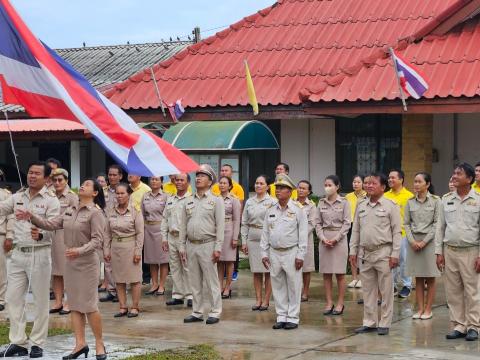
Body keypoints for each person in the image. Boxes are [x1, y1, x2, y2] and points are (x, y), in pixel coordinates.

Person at [18, 179, 107, 360]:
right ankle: (80, 344)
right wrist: (31, 217)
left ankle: (99, 344)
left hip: (87, 263)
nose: (82, 186)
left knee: (89, 306)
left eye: (88, 185)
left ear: (95, 193)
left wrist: (79, 250)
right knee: (74, 305)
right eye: (82, 184)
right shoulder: (70, 209)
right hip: (71, 263)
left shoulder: (96, 213)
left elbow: (98, 241)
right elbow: (51, 224)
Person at [0, 161, 60, 358]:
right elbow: (1, 209)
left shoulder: (51, 201)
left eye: (36, 173)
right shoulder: (17, 196)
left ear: (46, 178)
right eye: (30, 172)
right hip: (18, 254)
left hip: (40, 253)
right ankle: (18, 341)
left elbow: (54, 227)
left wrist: (41, 235)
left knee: (41, 301)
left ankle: (37, 343)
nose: (31, 176)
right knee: (12, 299)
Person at [350, 172, 401, 336]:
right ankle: (370, 322)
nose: (369, 186)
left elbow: (396, 232)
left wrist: (395, 254)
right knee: (368, 290)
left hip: (384, 252)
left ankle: (385, 323)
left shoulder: (390, 205)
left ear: (383, 187)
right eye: (367, 183)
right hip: (365, 253)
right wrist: (353, 250)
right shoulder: (361, 204)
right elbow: (356, 230)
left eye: (373, 183)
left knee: (386, 290)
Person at [435, 163, 480, 341]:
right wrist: (439, 252)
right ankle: (458, 325)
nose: (454, 176)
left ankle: (473, 326)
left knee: (472, 291)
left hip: (471, 251)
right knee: (452, 291)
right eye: (454, 173)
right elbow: (440, 227)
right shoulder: (446, 199)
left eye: (459, 174)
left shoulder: (478, 199)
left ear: (469, 179)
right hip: (450, 251)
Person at [261, 173, 307, 330]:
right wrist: (264, 253)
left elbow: (303, 235)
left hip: (291, 252)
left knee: (294, 285)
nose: (278, 190)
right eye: (277, 188)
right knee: (278, 285)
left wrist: (301, 255)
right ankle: (281, 316)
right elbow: (265, 233)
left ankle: (293, 317)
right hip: (274, 252)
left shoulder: (298, 210)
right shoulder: (270, 209)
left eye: (281, 188)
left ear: (289, 191)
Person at [180, 164, 225, 325]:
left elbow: (221, 226)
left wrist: (218, 247)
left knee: (211, 280)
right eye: (197, 175)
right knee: (194, 280)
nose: (198, 178)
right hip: (191, 245)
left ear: (210, 181)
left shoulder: (216, 201)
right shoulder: (188, 201)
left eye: (202, 176)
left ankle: (215, 311)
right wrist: (181, 246)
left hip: (208, 244)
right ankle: (197, 312)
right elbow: (183, 225)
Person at [404, 172, 441, 320]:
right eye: (415, 181)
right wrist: (412, 241)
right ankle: (419, 309)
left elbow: (437, 223)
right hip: (414, 242)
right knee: (418, 277)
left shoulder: (436, 201)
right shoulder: (410, 202)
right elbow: (406, 223)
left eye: (419, 182)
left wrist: (424, 241)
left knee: (430, 277)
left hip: (430, 242)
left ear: (427, 184)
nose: (416, 184)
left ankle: (428, 309)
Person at [104, 183, 144, 318]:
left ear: (129, 194)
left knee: (134, 279)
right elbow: (107, 233)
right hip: (116, 247)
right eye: (117, 193)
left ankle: (135, 307)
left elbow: (140, 233)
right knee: (119, 279)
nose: (119, 196)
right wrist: (106, 250)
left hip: (131, 246)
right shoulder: (111, 211)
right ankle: (122, 307)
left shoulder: (135, 211)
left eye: (122, 193)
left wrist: (138, 251)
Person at [316, 175, 351, 316]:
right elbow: (317, 223)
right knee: (326, 274)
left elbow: (347, 223)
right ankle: (329, 302)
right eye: (325, 184)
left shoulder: (344, 202)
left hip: (339, 240)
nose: (327, 187)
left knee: (340, 274)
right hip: (325, 239)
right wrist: (323, 238)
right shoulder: (321, 202)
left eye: (330, 185)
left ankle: (340, 303)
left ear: (337, 186)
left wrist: (336, 239)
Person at [241, 175, 276, 311]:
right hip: (252, 237)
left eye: (261, 183)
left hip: (267, 239)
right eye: (256, 183)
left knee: (267, 271)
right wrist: (243, 241)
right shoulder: (250, 201)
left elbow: (274, 222)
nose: (258, 185)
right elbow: (244, 222)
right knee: (256, 271)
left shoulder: (272, 202)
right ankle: (258, 299)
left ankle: (266, 300)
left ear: (267, 186)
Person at [49, 169, 78, 315]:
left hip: (65, 236)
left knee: (67, 271)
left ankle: (69, 301)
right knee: (56, 272)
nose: (57, 183)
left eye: (60, 180)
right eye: (54, 180)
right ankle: (58, 301)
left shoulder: (72, 197)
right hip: (50, 235)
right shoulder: (50, 195)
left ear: (66, 180)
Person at [161, 173, 193, 307]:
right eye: (176, 180)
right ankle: (178, 295)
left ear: (188, 183)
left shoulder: (192, 200)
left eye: (182, 180)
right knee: (174, 267)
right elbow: (165, 219)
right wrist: (164, 238)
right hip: (171, 236)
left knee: (187, 267)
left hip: (185, 238)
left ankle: (191, 295)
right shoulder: (170, 199)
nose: (178, 182)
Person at [384, 169, 414, 298]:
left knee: (404, 260)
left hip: (403, 234)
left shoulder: (409, 196)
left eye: (393, 178)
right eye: (389, 178)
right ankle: (394, 286)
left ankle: (407, 285)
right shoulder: (385, 195)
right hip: (387, 234)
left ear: (401, 179)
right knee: (391, 261)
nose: (390, 180)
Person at [99, 165, 123, 302]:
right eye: (110, 174)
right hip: (105, 230)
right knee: (107, 261)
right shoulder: (103, 191)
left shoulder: (124, 191)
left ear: (120, 176)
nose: (112, 177)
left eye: (115, 175)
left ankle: (121, 290)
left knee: (120, 262)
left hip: (120, 230)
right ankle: (111, 290)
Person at [141, 176, 169, 295]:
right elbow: (141, 214)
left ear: (161, 182)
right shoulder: (145, 196)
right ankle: (154, 284)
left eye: (157, 179)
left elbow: (168, 215)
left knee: (163, 259)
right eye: (152, 179)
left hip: (161, 229)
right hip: (148, 229)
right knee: (151, 259)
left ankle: (162, 285)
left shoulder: (166, 196)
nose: (154, 181)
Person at [217, 176, 241, 299]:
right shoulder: (215, 198)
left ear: (230, 186)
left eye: (224, 183)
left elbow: (237, 219)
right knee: (219, 260)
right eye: (220, 183)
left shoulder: (234, 200)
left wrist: (235, 237)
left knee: (229, 261)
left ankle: (227, 287)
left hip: (229, 229)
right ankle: (219, 286)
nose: (222, 185)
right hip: (217, 231)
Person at [127, 174, 151, 285]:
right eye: (129, 173)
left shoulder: (146, 189)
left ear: (140, 176)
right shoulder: (126, 189)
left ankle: (146, 276)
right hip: (127, 223)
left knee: (143, 249)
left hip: (142, 223)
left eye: (133, 173)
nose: (130, 175)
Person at [296, 180, 317, 302]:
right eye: (299, 188)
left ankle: (305, 292)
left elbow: (312, 223)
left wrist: (301, 234)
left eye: (304, 188)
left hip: (306, 240)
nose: (301, 190)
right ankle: (296, 291)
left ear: (309, 191)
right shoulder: (291, 203)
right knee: (294, 267)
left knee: (306, 268)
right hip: (292, 239)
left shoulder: (312, 206)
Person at [345, 175, 367, 288]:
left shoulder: (366, 196)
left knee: (362, 253)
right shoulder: (348, 196)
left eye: (358, 182)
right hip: (350, 226)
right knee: (352, 252)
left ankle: (363, 279)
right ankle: (354, 278)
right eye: (354, 182)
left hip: (362, 226)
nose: (355, 184)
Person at [0, 174, 13, 313]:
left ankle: (1, 299)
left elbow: (11, 217)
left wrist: (9, 236)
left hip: (0, 234)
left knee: (0, 269)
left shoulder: (5, 195)